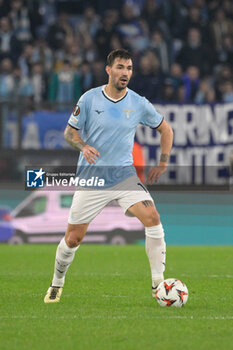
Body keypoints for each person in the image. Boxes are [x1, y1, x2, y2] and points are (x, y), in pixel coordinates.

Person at [44, 49, 173, 303]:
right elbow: (69, 133)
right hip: (92, 178)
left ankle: (159, 285)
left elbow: (165, 129)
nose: (126, 73)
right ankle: (57, 283)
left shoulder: (137, 102)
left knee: (153, 218)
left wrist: (163, 162)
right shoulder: (90, 99)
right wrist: (83, 146)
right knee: (73, 238)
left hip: (124, 176)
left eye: (129, 68)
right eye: (121, 67)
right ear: (109, 70)